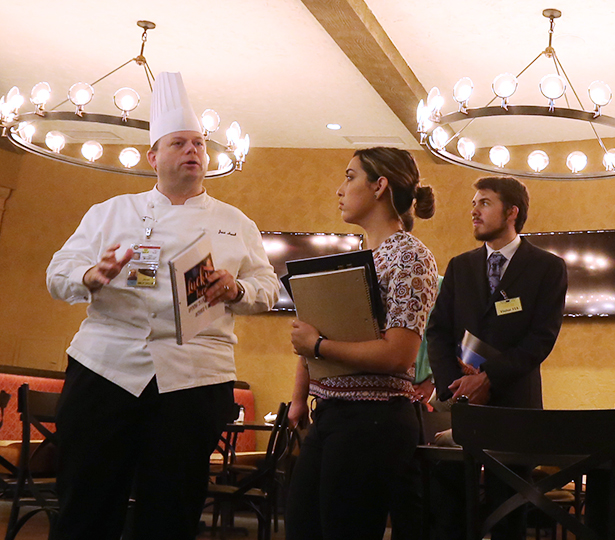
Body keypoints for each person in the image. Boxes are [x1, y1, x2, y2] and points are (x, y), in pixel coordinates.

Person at [46, 72, 279, 540]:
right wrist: (90, 276)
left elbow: (268, 287)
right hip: (104, 368)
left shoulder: (236, 223)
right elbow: (57, 272)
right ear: (153, 156)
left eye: (198, 143)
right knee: (86, 499)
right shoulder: (110, 212)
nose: (193, 151)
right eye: (179, 143)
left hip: (194, 377)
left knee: (172, 506)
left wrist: (237, 290)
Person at [286, 147, 438, 540]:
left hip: (373, 421)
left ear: (379, 186)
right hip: (333, 414)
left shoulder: (409, 255)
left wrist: (318, 345)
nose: (340, 189)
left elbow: (398, 353)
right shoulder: (359, 255)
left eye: (350, 176)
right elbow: (316, 336)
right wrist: (300, 397)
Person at [425, 176, 567, 540]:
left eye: (484, 202)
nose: (474, 210)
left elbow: (541, 339)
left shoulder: (547, 267)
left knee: (510, 517)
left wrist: (487, 377)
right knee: (452, 512)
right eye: (474, 202)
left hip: (516, 410)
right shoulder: (460, 266)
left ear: (512, 212)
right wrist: (454, 386)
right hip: (464, 407)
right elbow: (438, 331)